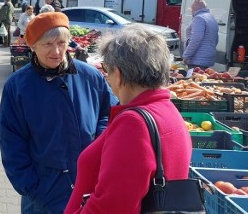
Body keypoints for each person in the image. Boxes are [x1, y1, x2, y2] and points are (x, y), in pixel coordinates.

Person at [64, 25, 192, 213]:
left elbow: (111, 206)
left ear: (119, 74)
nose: (107, 77)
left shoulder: (133, 124)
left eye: (107, 70)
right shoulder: (167, 110)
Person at [0, 12, 116, 213]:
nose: (56, 51)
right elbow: (12, 143)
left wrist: (100, 140)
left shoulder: (90, 76)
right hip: (44, 192)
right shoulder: (17, 86)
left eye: (61, 43)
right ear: (33, 45)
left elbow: (109, 112)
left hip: (90, 185)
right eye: (47, 44)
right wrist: (33, 189)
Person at [182, 0, 218, 68]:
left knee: (195, 78)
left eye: (191, 10)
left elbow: (196, 38)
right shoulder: (211, 18)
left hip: (197, 60)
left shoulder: (199, 18)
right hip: (208, 58)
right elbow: (216, 39)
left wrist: (186, 55)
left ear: (194, 9)